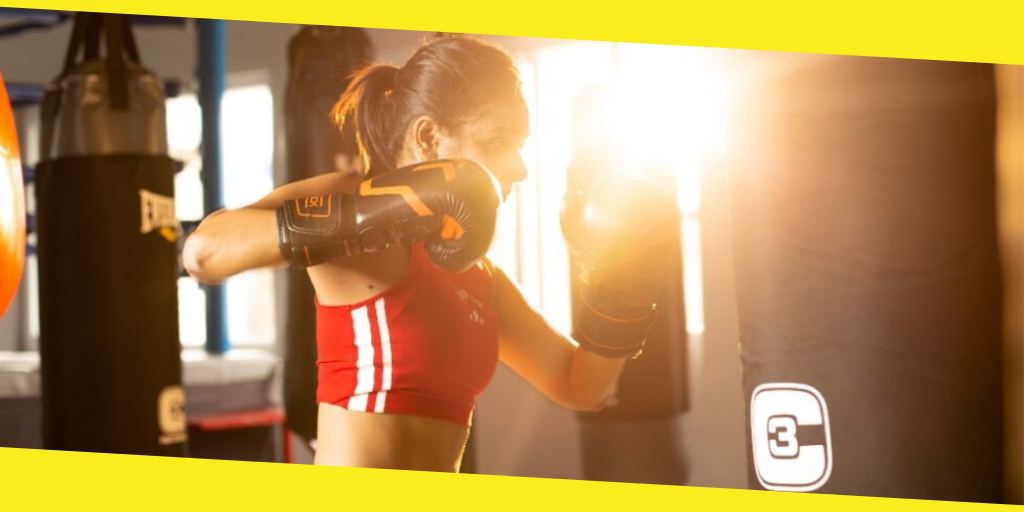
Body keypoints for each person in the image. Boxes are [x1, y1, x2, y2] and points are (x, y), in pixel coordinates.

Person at [183, 34, 677, 472]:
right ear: (427, 137)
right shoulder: (352, 207)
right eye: (499, 140)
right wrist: (374, 213)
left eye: (521, 144)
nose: (520, 168)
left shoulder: (480, 276)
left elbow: (580, 385)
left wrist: (623, 283)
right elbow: (204, 253)